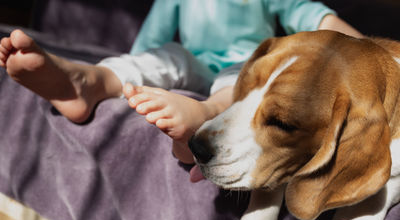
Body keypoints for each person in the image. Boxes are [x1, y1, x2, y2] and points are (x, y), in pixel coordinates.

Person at [0, 0, 363, 166]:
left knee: (240, 77)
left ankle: (205, 115)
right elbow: (148, 44)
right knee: (164, 56)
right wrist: (129, 77)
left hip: (245, 62)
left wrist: (373, 57)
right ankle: (89, 81)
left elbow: (318, 18)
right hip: (189, 58)